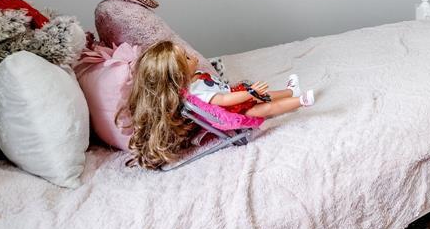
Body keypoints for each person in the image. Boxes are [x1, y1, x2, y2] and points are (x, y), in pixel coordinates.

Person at [122, 40, 314, 169]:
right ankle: (297, 98)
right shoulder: (195, 90)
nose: (192, 56)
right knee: (265, 103)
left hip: (229, 105)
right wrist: (248, 92)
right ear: (178, 74)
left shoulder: (189, 85)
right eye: (187, 58)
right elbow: (222, 100)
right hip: (229, 110)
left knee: (265, 101)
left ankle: (294, 95)